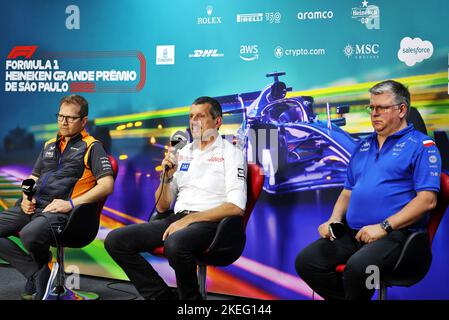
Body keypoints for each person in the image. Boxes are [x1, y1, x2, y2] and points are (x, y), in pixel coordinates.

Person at [295, 80, 441, 300]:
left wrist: (383, 227)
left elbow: (427, 201)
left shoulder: (421, 146)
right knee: (307, 262)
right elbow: (347, 191)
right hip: (354, 233)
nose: (374, 113)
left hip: (396, 236)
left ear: (402, 110)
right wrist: (333, 220)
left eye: (381, 107)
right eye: (371, 108)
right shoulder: (362, 146)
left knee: (358, 269)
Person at [105, 96, 247, 300]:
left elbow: (235, 207)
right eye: (191, 116)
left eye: (201, 116)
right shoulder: (183, 152)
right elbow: (163, 207)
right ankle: (162, 297)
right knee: (116, 240)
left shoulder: (232, 154)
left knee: (175, 243)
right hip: (178, 219)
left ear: (218, 121)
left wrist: (189, 220)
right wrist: (166, 177)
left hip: (213, 223)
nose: (194, 121)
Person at [0, 94, 115, 300]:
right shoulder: (49, 145)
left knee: (29, 235)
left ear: (83, 121)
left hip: (64, 213)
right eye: (60, 116)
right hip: (34, 206)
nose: (63, 121)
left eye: (70, 118)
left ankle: (43, 271)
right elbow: (33, 177)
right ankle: (37, 272)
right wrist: (26, 197)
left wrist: (70, 203)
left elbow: (107, 185)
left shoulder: (92, 147)